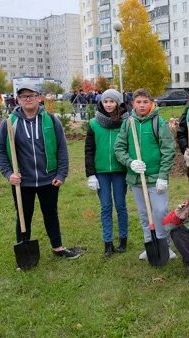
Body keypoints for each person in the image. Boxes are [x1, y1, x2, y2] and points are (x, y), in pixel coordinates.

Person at [0, 83, 82, 260]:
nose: (28, 99)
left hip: (48, 179)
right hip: (22, 181)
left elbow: (62, 148)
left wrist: (61, 174)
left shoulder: (50, 120)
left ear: (39, 97)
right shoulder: (10, 122)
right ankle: (24, 249)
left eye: (31, 95)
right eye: (23, 96)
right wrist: (8, 173)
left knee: (51, 214)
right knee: (23, 217)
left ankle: (58, 247)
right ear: (18, 99)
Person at [114, 88, 176, 261]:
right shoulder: (128, 123)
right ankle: (149, 243)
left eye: (145, 102)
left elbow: (168, 150)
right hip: (136, 179)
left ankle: (165, 244)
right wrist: (130, 162)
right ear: (133, 103)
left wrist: (163, 175)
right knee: (143, 213)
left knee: (160, 211)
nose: (142, 105)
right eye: (138, 102)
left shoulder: (158, 123)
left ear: (151, 103)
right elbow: (119, 148)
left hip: (156, 178)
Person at [85, 89, 130, 257]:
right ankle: (108, 243)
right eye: (106, 101)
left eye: (112, 101)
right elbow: (89, 150)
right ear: (101, 103)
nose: (109, 104)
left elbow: (131, 147)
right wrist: (91, 174)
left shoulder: (126, 122)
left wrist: (131, 170)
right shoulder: (94, 123)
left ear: (118, 102)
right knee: (105, 207)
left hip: (120, 171)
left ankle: (123, 239)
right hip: (101, 172)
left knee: (120, 205)